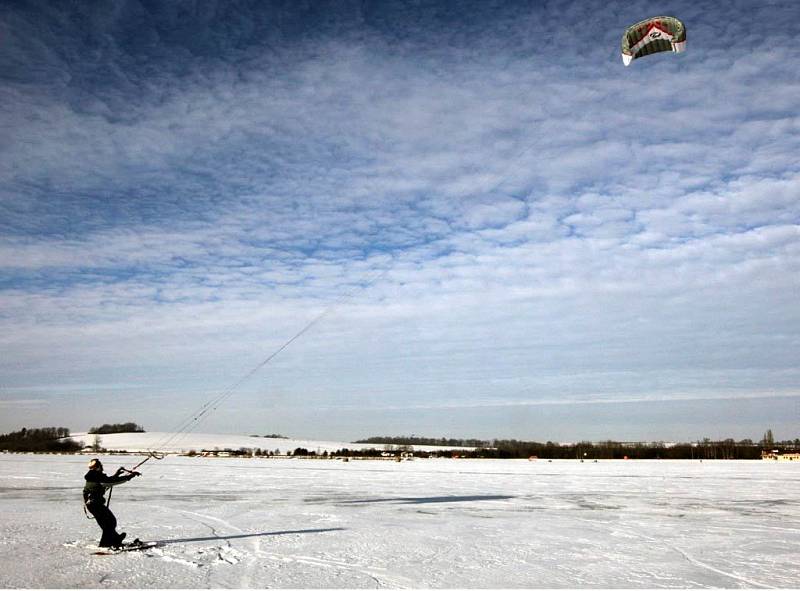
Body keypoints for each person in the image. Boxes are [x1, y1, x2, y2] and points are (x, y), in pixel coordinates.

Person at [83, 458, 141, 547]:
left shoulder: (93, 476)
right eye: (100, 466)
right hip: (95, 504)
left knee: (107, 523)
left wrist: (116, 474)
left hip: (92, 504)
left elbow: (108, 481)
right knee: (110, 523)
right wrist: (130, 476)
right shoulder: (97, 477)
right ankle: (105, 544)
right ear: (97, 467)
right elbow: (111, 481)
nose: (102, 467)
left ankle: (115, 539)